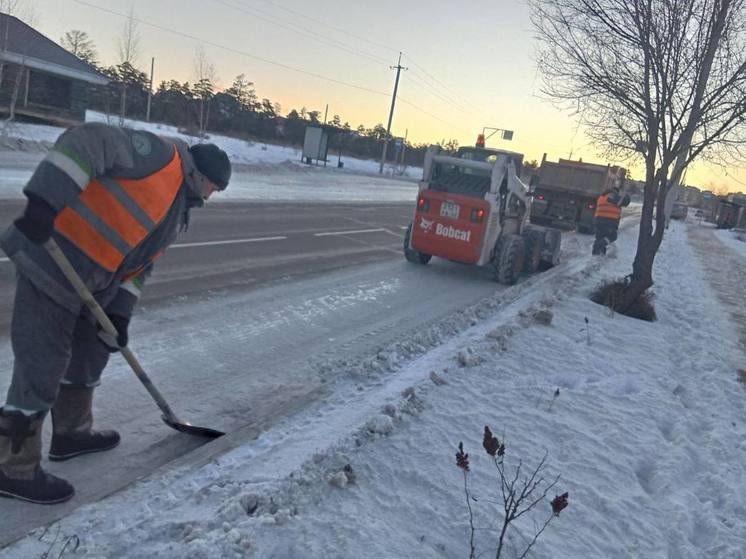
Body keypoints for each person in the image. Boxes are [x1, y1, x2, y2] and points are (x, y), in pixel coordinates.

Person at [0, 123, 231, 504]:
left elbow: (140, 268)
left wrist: (120, 314)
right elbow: (86, 141)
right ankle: (13, 466)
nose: (211, 196)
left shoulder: (178, 209)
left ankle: (71, 433)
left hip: (91, 286)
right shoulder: (159, 156)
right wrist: (43, 201)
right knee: (42, 363)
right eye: (214, 188)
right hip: (51, 260)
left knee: (92, 350)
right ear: (200, 175)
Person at [592, 185, 630, 255]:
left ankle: (598, 254)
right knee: (613, 236)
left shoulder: (602, 197)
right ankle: (598, 246)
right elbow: (626, 202)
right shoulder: (611, 197)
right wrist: (626, 194)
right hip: (608, 221)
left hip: (598, 221)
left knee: (600, 237)